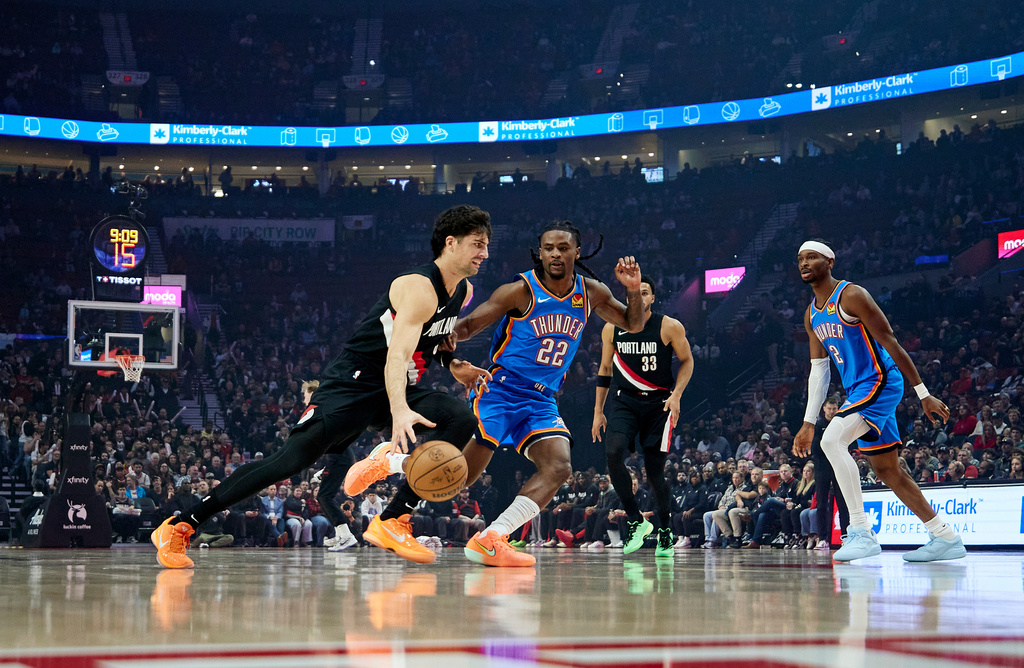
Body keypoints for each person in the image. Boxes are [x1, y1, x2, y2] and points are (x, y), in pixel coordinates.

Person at [153, 205, 494, 568]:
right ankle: (180, 524)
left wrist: (454, 364)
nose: (484, 254)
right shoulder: (419, 287)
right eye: (477, 244)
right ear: (451, 243)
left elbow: (428, 342)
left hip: (395, 387)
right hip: (353, 383)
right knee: (289, 461)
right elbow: (398, 354)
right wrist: (399, 410)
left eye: (487, 245)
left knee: (460, 418)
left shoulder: (463, 291)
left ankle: (393, 519)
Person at [350, 220, 643, 567]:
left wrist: (633, 289)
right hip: (501, 390)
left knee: (559, 466)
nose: (555, 254)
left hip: (542, 399)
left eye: (563, 248)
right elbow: (469, 324)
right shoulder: (520, 290)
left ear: (576, 252)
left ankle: (493, 537)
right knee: (458, 478)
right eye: (548, 247)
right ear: (540, 252)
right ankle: (389, 460)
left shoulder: (590, 292)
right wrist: (445, 348)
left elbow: (634, 324)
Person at [793, 240, 965, 562]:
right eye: (800, 259)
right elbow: (819, 370)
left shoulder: (852, 295)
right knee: (888, 470)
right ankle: (946, 537)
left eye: (812, 257)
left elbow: (891, 341)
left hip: (880, 382)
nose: (804, 263)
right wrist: (808, 420)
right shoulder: (811, 315)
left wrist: (923, 394)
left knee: (831, 441)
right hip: (859, 389)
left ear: (830, 261)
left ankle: (860, 531)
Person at [592, 276, 693, 557]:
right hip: (624, 402)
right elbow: (604, 369)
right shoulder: (612, 328)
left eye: (644, 292)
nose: (638, 297)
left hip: (658, 404)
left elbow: (687, 360)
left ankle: (665, 529)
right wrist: (598, 411)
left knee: (654, 471)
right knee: (612, 454)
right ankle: (637, 520)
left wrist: (677, 394)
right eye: (633, 293)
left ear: (652, 298)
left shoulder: (668, 326)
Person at [810, 396, 849, 551]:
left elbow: (846, 444)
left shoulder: (841, 423)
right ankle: (823, 538)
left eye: (834, 408)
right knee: (821, 504)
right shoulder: (818, 425)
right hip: (822, 468)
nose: (832, 411)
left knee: (842, 503)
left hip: (838, 466)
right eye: (829, 408)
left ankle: (845, 536)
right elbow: (815, 449)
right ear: (824, 408)